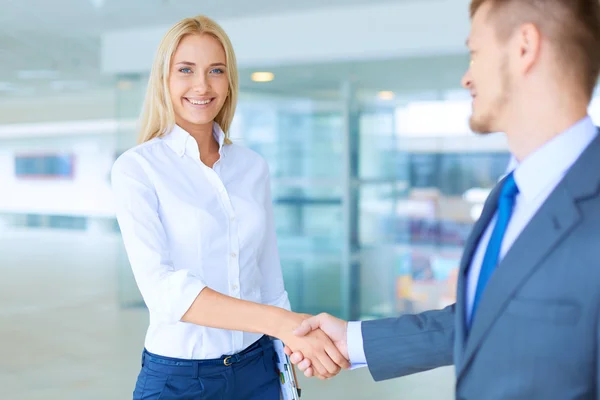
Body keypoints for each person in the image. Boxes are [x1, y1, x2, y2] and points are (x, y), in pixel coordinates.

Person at [287, 0, 600, 397]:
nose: (466, 78)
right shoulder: (508, 195)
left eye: (475, 53)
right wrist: (353, 339)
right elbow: (480, 319)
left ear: (524, 47)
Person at [111, 15, 349, 400]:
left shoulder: (252, 167)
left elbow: (269, 279)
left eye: (216, 70)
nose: (202, 85)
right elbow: (164, 291)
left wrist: (288, 352)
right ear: (164, 79)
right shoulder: (137, 169)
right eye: (186, 70)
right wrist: (284, 324)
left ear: (229, 80)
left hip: (259, 370)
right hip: (181, 379)